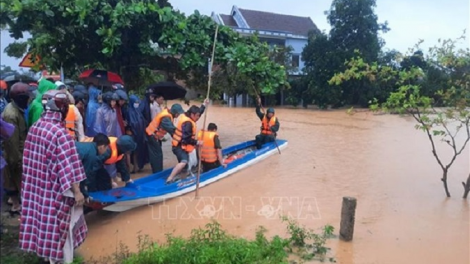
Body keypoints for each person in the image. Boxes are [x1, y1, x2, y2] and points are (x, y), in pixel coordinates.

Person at [20, 89, 87, 264]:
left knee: (42, 225)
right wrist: (77, 192)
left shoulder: (35, 128)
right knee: (61, 232)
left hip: (37, 191)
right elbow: (67, 168)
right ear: (62, 108)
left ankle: (46, 256)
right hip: (55, 193)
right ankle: (60, 260)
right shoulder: (60, 134)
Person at [1, 82, 30, 216]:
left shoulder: (16, 110)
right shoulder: (11, 115)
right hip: (15, 155)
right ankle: (19, 208)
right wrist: (18, 161)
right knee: (17, 183)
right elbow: (12, 142)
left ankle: (17, 206)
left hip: (17, 154)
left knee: (13, 182)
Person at [166, 104, 206, 184]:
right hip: (179, 147)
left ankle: (184, 174)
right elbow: (187, 139)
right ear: (192, 114)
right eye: (197, 116)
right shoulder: (188, 123)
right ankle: (169, 179)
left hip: (180, 145)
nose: (198, 118)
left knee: (186, 163)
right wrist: (197, 142)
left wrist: (204, 105)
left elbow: (198, 113)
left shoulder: (187, 116)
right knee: (184, 161)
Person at [145, 103, 184, 173]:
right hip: (152, 136)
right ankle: (157, 172)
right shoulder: (166, 118)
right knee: (157, 155)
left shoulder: (167, 114)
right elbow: (172, 130)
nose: (178, 115)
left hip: (153, 135)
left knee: (156, 154)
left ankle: (157, 171)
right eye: (178, 114)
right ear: (175, 113)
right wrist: (181, 138)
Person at [74, 133, 111, 199]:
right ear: (102, 147)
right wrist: (85, 194)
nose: (106, 150)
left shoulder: (89, 146)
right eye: (106, 147)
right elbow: (85, 175)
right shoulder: (92, 154)